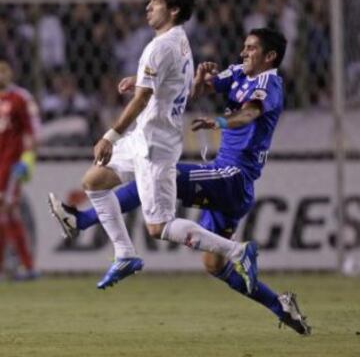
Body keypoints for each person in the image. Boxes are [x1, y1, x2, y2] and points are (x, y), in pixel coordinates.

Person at [49, 27, 311, 335]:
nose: (244, 52)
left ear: (270, 56)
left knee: (158, 172)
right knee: (214, 265)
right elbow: (194, 89)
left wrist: (222, 121)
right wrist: (160, 82)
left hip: (232, 177)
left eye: (252, 48)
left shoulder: (271, 84)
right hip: (224, 181)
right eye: (244, 46)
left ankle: (82, 221)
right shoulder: (240, 72)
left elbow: (251, 113)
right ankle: (280, 305)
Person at [50, 0, 258, 295]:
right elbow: (176, 90)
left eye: (156, 2)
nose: (148, 7)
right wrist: (141, 81)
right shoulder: (180, 41)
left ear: (173, 9)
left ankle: (237, 251)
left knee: (159, 227)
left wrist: (110, 136)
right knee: (93, 181)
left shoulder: (159, 47)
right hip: (144, 138)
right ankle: (125, 254)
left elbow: (144, 99)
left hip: (155, 147)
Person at [0, 57, 40, 280]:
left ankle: (26, 264)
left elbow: (33, 132)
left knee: (7, 209)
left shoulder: (20, 98)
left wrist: (27, 160)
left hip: (10, 163)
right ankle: (21, 265)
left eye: (3, 70)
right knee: (5, 213)